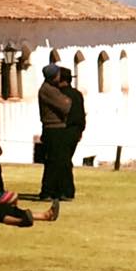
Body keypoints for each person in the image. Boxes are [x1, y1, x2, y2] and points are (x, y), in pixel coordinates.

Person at [38, 63, 73, 201]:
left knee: (60, 161)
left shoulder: (52, 89)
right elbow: (65, 105)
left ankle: (59, 191)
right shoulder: (48, 90)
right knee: (54, 161)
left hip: (57, 128)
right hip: (53, 129)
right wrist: (67, 100)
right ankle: (47, 191)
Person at [59, 66, 86, 201]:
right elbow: (81, 114)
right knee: (66, 160)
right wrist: (81, 130)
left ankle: (67, 190)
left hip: (65, 130)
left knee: (63, 161)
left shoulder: (60, 95)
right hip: (75, 131)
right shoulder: (77, 94)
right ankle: (66, 189)